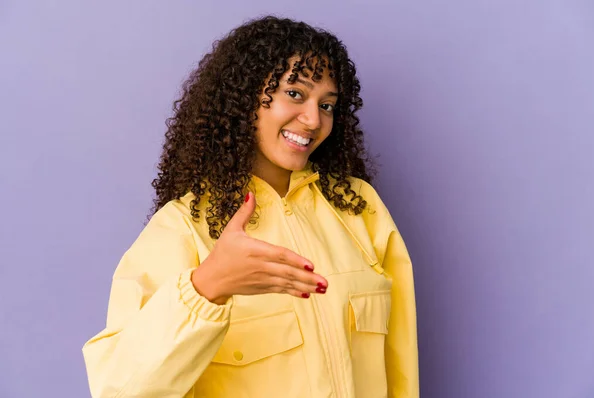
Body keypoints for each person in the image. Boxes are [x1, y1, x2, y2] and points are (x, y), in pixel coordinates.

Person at [82, 15, 419, 398]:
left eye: (327, 105)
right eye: (294, 93)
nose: (313, 120)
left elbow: (400, 366)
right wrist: (208, 286)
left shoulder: (359, 207)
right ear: (242, 99)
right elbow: (118, 389)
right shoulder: (181, 228)